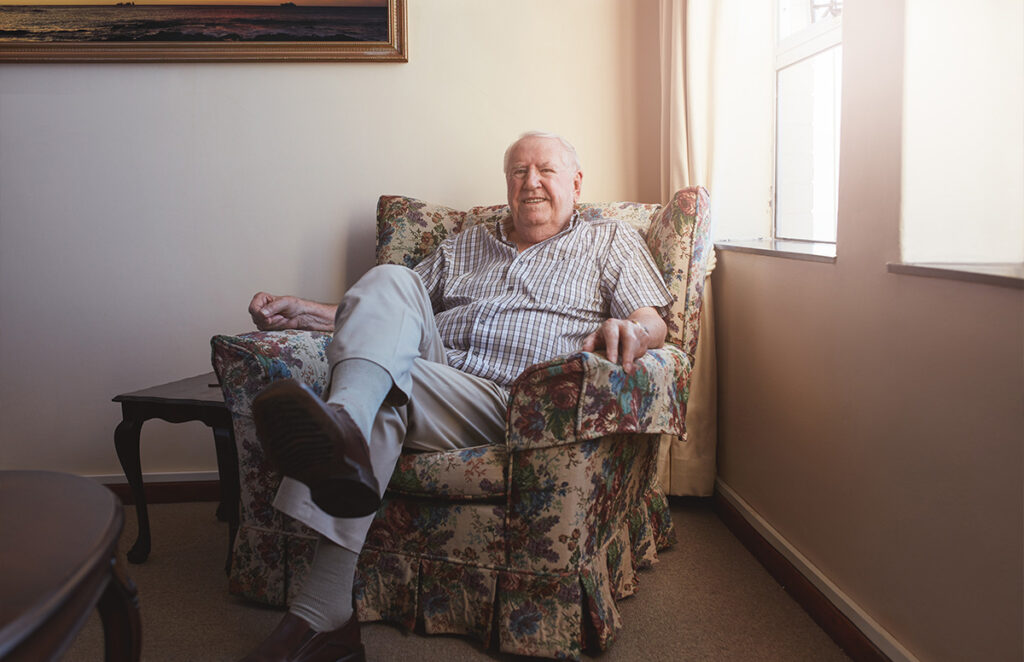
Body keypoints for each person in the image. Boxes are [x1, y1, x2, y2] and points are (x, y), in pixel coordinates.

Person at [239, 131, 673, 662]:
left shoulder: (609, 241)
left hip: (516, 401)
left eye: (546, 170)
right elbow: (387, 312)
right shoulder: (466, 242)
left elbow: (653, 321)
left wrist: (631, 331)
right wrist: (305, 311)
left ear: (576, 184)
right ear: (507, 183)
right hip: (438, 376)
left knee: (378, 386)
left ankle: (320, 609)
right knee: (391, 282)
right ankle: (343, 434)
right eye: (518, 171)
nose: (530, 182)